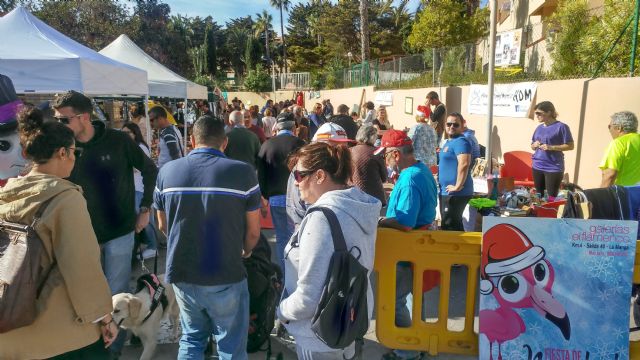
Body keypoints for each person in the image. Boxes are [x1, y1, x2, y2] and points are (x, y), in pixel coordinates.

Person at [0, 106, 117, 359]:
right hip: (59, 336)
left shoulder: (7, 195)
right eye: (74, 152)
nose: (75, 159)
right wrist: (104, 317)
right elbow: (81, 266)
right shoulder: (65, 199)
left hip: (10, 329)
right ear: (63, 152)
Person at [154, 115, 261, 359]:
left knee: (191, 338)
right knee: (230, 344)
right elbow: (254, 231)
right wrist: (245, 250)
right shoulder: (243, 173)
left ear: (191, 140)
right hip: (226, 272)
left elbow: (162, 224)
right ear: (224, 143)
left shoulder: (167, 172)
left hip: (183, 271)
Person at [278, 142, 381, 359]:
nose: (295, 184)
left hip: (317, 334)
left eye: (298, 176)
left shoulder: (321, 218)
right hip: (347, 322)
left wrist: (282, 311)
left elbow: (308, 297)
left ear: (320, 176)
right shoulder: (358, 207)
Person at [53, 90, 157, 297]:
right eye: (56, 120)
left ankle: (120, 331)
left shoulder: (118, 140)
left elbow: (149, 169)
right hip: (81, 234)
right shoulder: (61, 147)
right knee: (87, 296)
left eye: (64, 120)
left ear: (83, 117)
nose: (59, 126)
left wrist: (145, 208)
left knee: (117, 297)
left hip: (119, 231)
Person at [375, 129, 437, 360]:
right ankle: (414, 342)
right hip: (416, 247)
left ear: (395, 154)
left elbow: (405, 222)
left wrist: (378, 220)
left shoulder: (411, 177)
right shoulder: (420, 170)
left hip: (407, 249)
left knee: (396, 300)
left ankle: (407, 350)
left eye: (385, 155)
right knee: (412, 298)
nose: (384, 160)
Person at [257, 111, 305, 275]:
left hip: (277, 199)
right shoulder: (302, 144)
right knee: (302, 238)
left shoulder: (267, 145)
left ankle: (286, 277)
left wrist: (264, 197)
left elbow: (261, 174)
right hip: (300, 198)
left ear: (277, 127)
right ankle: (300, 274)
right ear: (294, 127)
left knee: (282, 239)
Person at [122, 122, 159, 259]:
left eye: (127, 133)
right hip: (135, 189)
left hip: (141, 189)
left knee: (146, 220)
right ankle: (148, 244)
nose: (124, 136)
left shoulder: (140, 147)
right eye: (123, 133)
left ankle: (153, 246)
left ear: (135, 133)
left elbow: (142, 168)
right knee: (140, 220)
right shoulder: (131, 146)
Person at [530, 101, 574, 198]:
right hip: (537, 165)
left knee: (551, 198)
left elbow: (570, 146)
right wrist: (534, 145)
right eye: (535, 113)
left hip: (553, 167)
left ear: (549, 112)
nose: (536, 116)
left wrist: (551, 147)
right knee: (538, 196)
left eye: (539, 113)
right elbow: (532, 146)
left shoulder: (561, 127)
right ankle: (540, 213)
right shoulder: (539, 127)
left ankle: (551, 213)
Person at [438, 113, 474, 231]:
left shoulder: (461, 141)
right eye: (449, 124)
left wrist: (458, 186)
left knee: (450, 225)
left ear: (462, 126)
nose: (451, 127)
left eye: (455, 124)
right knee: (451, 225)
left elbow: (464, 164)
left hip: (456, 193)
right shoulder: (449, 142)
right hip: (447, 191)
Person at [599, 111, 640, 187]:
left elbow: (609, 175)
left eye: (609, 126)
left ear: (619, 128)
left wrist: (600, 197)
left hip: (623, 194)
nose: (609, 129)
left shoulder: (618, 143)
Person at [350, 125, 387, 205]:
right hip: (373, 196)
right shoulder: (376, 152)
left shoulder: (350, 151)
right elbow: (384, 177)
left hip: (353, 194)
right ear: (372, 137)